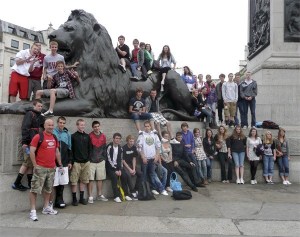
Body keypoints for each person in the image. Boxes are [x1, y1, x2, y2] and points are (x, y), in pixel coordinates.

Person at [29, 118, 62, 221]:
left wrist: (59, 164)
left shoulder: (54, 137)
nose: (51, 127)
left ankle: (46, 208)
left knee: (48, 189)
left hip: (51, 168)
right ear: (44, 125)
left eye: (52, 125)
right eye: (49, 125)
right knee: (34, 189)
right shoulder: (38, 136)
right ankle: (33, 211)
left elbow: (57, 152)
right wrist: (35, 165)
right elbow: (31, 152)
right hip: (40, 168)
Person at [12, 99, 44, 191]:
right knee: (27, 162)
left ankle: (30, 183)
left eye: (41, 106)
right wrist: (25, 142)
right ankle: (16, 183)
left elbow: (43, 124)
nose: (40, 108)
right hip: (29, 141)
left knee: (30, 163)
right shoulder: (30, 113)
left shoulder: (39, 115)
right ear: (34, 105)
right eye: (38, 106)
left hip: (35, 141)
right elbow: (25, 128)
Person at [136, 121, 168, 196]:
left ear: (151, 126)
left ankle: (161, 189)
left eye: (148, 126)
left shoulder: (154, 135)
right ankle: (144, 191)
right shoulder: (141, 135)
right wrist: (143, 157)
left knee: (153, 174)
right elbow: (139, 147)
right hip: (145, 158)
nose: (147, 128)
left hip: (153, 158)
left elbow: (158, 146)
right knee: (144, 175)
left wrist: (157, 156)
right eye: (145, 126)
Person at [52, 116, 72, 208]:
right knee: (53, 181)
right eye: (60, 122)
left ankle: (60, 199)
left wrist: (69, 161)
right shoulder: (53, 132)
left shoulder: (67, 134)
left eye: (63, 123)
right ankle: (51, 201)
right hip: (53, 161)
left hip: (64, 161)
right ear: (57, 122)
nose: (62, 124)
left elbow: (69, 148)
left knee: (62, 181)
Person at [70, 119, 92, 206]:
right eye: (81, 125)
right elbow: (71, 149)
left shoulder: (87, 136)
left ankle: (82, 198)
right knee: (74, 181)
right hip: (76, 162)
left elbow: (90, 148)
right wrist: (72, 161)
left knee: (83, 180)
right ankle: (74, 199)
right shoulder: (73, 136)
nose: (82, 126)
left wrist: (88, 159)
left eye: (83, 125)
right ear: (77, 125)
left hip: (86, 162)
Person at [106, 133, 133, 202]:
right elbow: (109, 160)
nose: (117, 140)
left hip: (118, 167)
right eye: (116, 138)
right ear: (113, 139)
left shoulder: (120, 148)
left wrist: (120, 169)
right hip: (110, 168)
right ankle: (116, 196)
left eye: (119, 138)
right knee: (114, 177)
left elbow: (121, 160)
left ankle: (126, 194)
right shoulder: (109, 147)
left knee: (124, 176)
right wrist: (115, 170)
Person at [88, 121, 108, 204]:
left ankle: (99, 195)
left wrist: (103, 158)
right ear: (93, 127)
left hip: (100, 160)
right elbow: (88, 148)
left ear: (100, 126)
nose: (96, 128)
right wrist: (89, 159)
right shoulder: (89, 136)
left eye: (98, 126)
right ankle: (90, 196)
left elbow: (104, 148)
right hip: (91, 161)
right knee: (90, 179)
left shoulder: (103, 136)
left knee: (100, 178)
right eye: (95, 126)